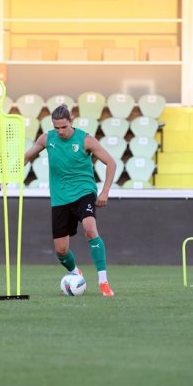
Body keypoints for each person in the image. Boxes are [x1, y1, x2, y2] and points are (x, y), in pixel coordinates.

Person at [24, 104, 117, 296]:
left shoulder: (86, 140)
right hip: (60, 198)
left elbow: (111, 163)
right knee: (61, 250)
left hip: (84, 192)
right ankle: (75, 273)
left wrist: (105, 191)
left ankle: (103, 282)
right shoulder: (47, 139)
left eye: (64, 127)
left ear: (71, 121)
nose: (60, 131)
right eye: (56, 127)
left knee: (90, 230)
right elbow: (26, 157)